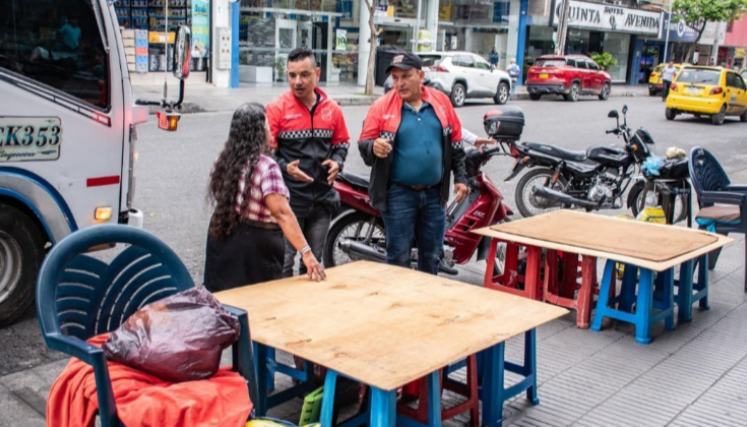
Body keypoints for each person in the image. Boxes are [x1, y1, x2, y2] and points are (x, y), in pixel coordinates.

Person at [358, 52, 468, 275]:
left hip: (435, 196)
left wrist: (462, 178)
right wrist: (373, 147)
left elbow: (455, 143)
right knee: (399, 256)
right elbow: (364, 145)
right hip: (398, 194)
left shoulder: (441, 102)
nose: (399, 83)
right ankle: (399, 306)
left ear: (421, 75)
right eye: (395, 78)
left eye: (406, 76)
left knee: (432, 255)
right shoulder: (381, 106)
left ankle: (426, 306)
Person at [204, 103, 325, 292]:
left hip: (223, 236)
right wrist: (306, 252)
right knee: (260, 304)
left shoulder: (224, 159)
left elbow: (218, 194)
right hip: (257, 251)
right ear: (258, 132)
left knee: (225, 301)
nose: (270, 130)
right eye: (267, 125)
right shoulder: (266, 167)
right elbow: (282, 213)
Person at [266, 47, 350, 278]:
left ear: (317, 73)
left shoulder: (332, 109)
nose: (297, 82)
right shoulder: (276, 109)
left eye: (304, 74)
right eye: (292, 75)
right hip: (290, 201)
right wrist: (285, 168)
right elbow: (265, 154)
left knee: (313, 265)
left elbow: (342, 142)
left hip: (322, 201)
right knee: (282, 265)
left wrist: (337, 162)